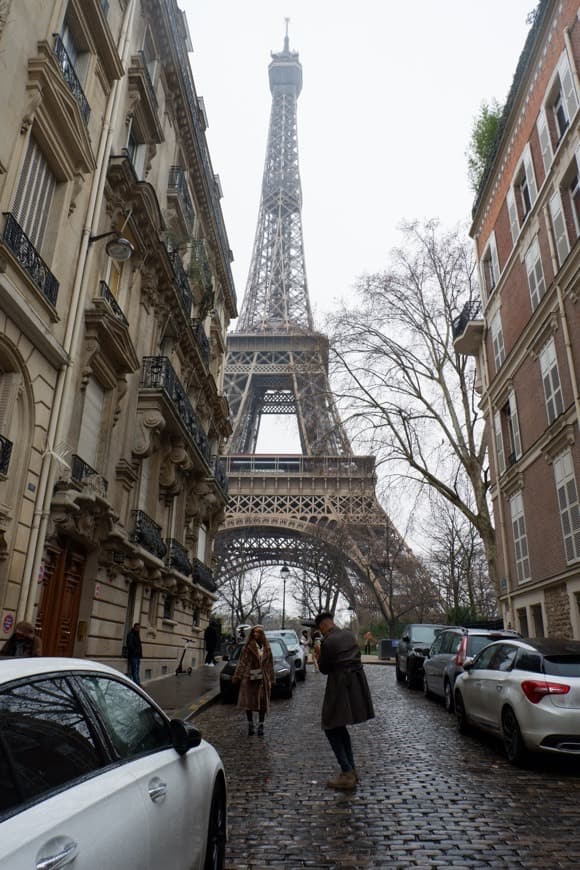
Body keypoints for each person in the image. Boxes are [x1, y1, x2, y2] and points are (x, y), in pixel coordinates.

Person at [313, 611, 374, 790]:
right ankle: (351, 770)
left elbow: (324, 669)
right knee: (339, 725)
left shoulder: (327, 641)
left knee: (330, 726)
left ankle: (347, 772)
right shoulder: (349, 634)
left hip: (339, 685)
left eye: (321, 630)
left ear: (323, 626)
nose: (322, 632)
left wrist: (318, 653)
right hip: (355, 684)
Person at [232, 625, 274, 737]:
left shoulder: (267, 647)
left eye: (258, 632)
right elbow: (242, 662)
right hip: (249, 677)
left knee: (263, 703)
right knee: (248, 703)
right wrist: (238, 676)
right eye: (254, 632)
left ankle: (261, 725)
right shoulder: (247, 647)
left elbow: (270, 664)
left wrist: (271, 678)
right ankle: (250, 725)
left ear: (262, 634)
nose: (256, 634)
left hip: (263, 679)